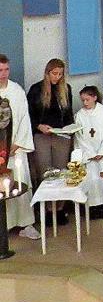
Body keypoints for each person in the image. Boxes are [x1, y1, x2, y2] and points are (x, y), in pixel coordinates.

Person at [0, 55, 39, 239]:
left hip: (15, 148)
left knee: (21, 183)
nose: (4, 74)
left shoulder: (17, 91)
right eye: (0, 70)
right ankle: (4, 227)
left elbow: (24, 119)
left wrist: (16, 144)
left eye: (6, 69)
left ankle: (26, 224)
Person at [27, 58, 74, 185]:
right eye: (54, 73)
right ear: (47, 73)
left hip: (61, 135)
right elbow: (29, 113)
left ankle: (59, 204)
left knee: (61, 171)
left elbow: (69, 114)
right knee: (45, 170)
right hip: (42, 135)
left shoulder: (66, 89)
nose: (57, 77)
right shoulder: (36, 89)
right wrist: (38, 126)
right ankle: (47, 204)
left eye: (60, 74)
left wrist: (71, 130)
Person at [73, 86, 103, 219]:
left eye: (87, 99)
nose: (85, 103)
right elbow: (79, 136)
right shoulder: (79, 115)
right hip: (89, 155)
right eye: (83, 100)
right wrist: (91, 153)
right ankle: (91, 208)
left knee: (102, 180)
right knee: (91, 180)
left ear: (95, 97)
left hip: (102, 153)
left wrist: (102, 151)